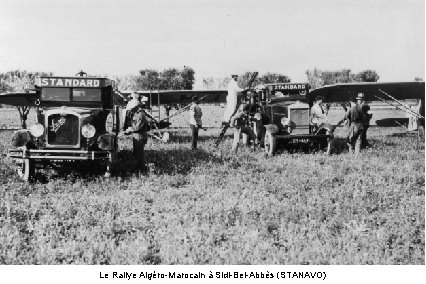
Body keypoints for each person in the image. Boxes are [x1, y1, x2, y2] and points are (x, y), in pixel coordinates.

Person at [123, 99, 148, 173]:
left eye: (132, 108)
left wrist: (130, 130)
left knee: (139, 153)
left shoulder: (140, 114)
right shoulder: (137, 114)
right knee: (137, 152)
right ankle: (139, 168)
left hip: (140, 136)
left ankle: (142, 170)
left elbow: (138, 127)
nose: (131, 110)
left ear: (136, 107)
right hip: (137, 135)